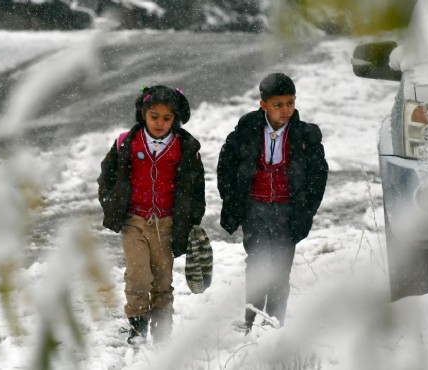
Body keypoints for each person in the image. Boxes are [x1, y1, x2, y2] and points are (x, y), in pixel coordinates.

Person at [217, 73, 328, 333]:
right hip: (254, 209)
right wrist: (232, 200)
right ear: (263, 104)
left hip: (287, 212)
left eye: (290, 103)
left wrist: (306, 210)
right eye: (278, 104)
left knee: (280, 269)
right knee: (256, 264)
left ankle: (273, 323)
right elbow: (226, 165)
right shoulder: (247, 130)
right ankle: (250, 320)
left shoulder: (305, 135)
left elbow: (318, 175)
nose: (285, 110)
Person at [97, 85, 206, 345]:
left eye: (167, 118)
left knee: (162, 279)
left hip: (168, 224)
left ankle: (162, 330)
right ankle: (137, 326)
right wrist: (112, 204)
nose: (160, 123)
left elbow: (196, 188)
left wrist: (192, 220)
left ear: (176, 119)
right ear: (143, 114)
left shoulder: (185, 147)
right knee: (138, 277)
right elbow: (107, 177)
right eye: (154, 116)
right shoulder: (127, 142)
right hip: (134, 221)